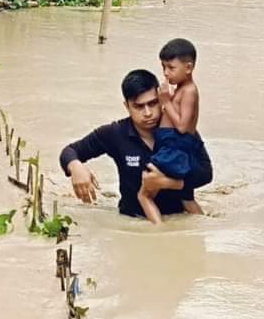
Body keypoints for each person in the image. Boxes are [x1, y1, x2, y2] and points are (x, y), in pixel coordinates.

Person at [59, 68, 213, 218]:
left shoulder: (178, 129)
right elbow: (69, 151)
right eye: (139, 106)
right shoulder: (115, 133)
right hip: (132, 220)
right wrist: (75, 166)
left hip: (179, 219)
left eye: (152, 103)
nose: (147, 113)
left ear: (161, 99)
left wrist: (166, 182)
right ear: (127, 106)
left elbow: (206, 174)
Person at [137, 38, 204, 225]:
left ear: (188, 68)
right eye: (163, 67)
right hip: (171, 145)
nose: (166, 73)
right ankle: (204, 226)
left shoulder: (189, 91)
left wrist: (166, 101)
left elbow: (183, 126)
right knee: (186, 199)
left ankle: (160, 231)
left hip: (173, 149)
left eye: (171, 68)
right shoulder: (182, 89)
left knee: (144, 193)